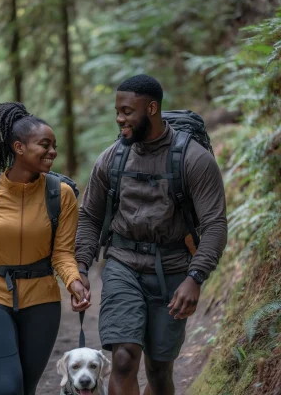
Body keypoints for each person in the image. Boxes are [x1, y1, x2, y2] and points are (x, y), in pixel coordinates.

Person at [73, 75, 227, 395]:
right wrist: (81, 266)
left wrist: (195, 277)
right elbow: (89, 215)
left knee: (158, 370)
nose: (119, 118)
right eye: (117, 111)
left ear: (152, 108)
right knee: (124, 358)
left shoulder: (194, 159)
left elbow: (214, 224)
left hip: (172, 268)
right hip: (121, 265)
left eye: (127, 111)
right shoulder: (111, 158)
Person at [0, 102, 91, 395]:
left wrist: (74, 282)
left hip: (42, 301)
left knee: (26, 388)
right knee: (8, 386)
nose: (52, 152)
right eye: (44, 145)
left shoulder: (60, 194)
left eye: (54, 146)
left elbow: (62, 253)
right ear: (19, 147)